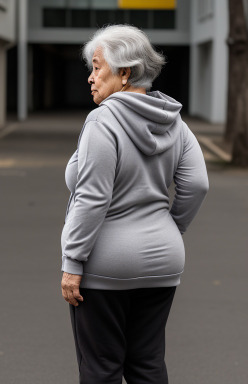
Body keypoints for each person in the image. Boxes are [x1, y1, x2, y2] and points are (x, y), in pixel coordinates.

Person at [61, 24, 209, 384]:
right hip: (163, 260)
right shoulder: (174, 121)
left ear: (124, 72)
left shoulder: (102, 121)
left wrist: (72, 261)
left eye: (97, 67)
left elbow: (93, 197)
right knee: (147, 364)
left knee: (101, 368)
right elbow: (198, 184)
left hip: (105, 265)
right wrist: (172, 228)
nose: (91, 78)